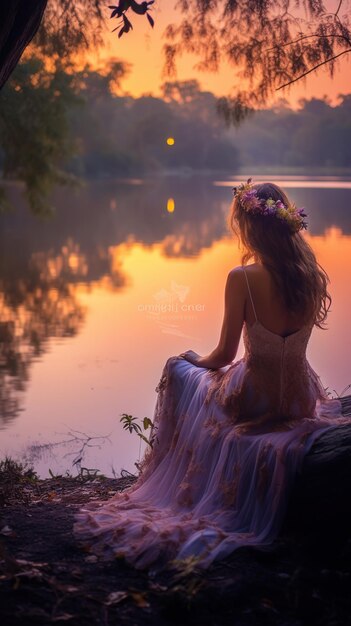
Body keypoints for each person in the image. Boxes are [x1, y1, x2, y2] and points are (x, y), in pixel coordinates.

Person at [74, 180, 351, 570]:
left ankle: (181, 477)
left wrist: (192, 359)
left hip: (256, 396)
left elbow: (223, 355)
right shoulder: (311, 275)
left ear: (250, 226)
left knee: (183, 370)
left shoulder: (243, 277)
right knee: (203, 375)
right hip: (300, 397)